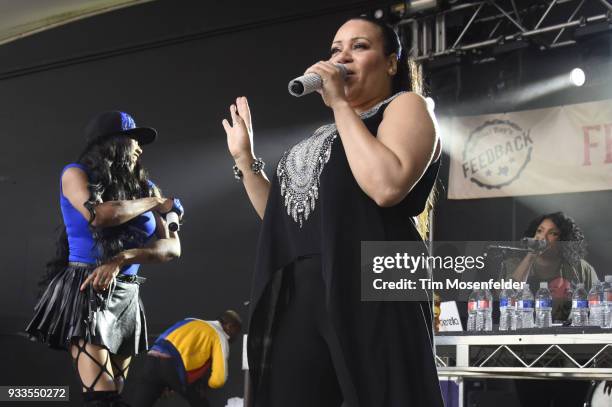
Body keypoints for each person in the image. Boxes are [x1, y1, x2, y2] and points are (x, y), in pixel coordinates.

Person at [221, 16, 443, 407]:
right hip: (301, 293)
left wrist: (340, 103)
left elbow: (387, 186)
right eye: (336, 49)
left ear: (391, 63)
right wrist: (245, 160)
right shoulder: (325, 134)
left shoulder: (406, 106)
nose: (342, 57)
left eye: (359, 46)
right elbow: (281, 217)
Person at [25, 111, 182, 407]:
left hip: (126, 294)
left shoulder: (144, 188)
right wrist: (154, 202)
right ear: (112, 143)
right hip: (88, 289)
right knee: (103, 399)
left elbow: (172, 248)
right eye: (133, 139)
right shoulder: (75, 174)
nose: (139, 147)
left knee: (116, 395)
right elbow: (98, 215)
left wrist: (123, 257)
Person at [128, 310, 242, 407]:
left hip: (152, 358)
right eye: (236, 332)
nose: (235, 337)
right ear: (229, 326)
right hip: (172, 365)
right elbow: (218, 379)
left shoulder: (191, 321)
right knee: (201, 403)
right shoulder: (219, 336)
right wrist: (206, 385)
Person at [504, 211, 598, 321]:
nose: (542, 237)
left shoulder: (580, 268)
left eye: (552, 233)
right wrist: (530, 256)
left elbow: (599, 303)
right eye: (539, 231)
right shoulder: (515, 264)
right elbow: (508, 298)